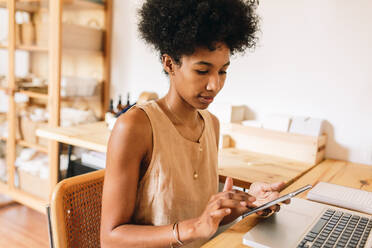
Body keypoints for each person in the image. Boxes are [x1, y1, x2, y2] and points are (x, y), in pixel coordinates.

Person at [101, 0, 289, 247]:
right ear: (169, 64)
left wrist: (250, 204)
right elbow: (110, 239)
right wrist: (194, 228)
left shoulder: (212, 125)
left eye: (223, 71)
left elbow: (203, 223)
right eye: (202, 71)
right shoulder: (136, 127)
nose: (215, 85)